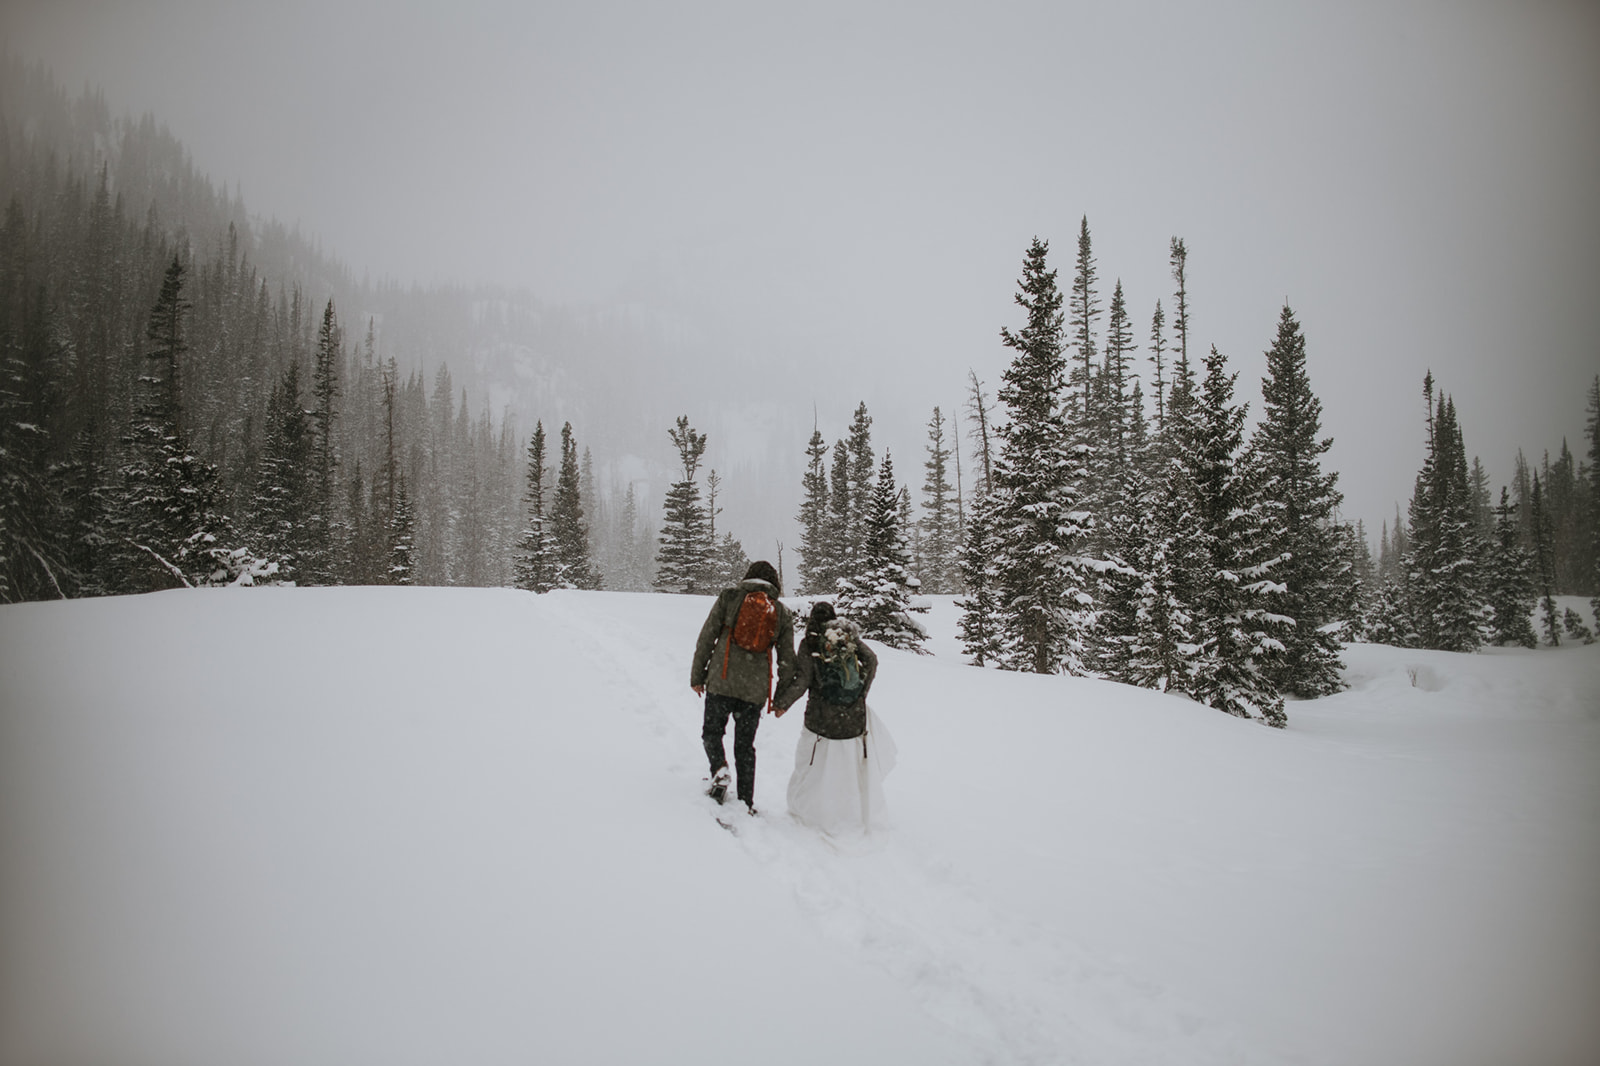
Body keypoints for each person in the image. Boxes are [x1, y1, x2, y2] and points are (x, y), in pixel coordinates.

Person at [773, 601, 897, 833]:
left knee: (813, 767)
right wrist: (860, 695)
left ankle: (812, 811)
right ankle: (848, 812)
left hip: (820, 721)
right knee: (846, 771)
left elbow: (803, 680)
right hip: (851, 720)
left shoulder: (809, 643)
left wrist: (782, 703)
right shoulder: (847, 639)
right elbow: (871, 660)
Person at [690, 560, 796, 814]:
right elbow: (787, 660)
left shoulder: (730, 598)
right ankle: (746, 801)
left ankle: (719, 769)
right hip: (754, 690)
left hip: (721, 680)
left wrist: (697, 675)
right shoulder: (781, 612)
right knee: (745, 745)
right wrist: (781, 700)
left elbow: (707, 636)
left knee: (712, 733)